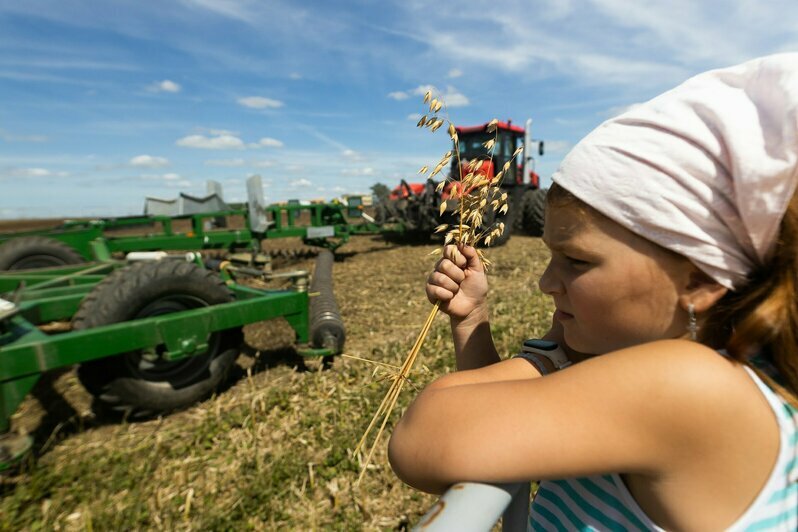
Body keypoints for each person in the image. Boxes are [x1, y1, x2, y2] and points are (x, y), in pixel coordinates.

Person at [388, 53, 798, 531]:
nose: (545, 282)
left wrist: (553, 357)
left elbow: (426, 435)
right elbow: (494, 427)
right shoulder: (706, 365)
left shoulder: (693, 385)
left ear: (700, 279)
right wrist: (473, 320)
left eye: (577, 261)